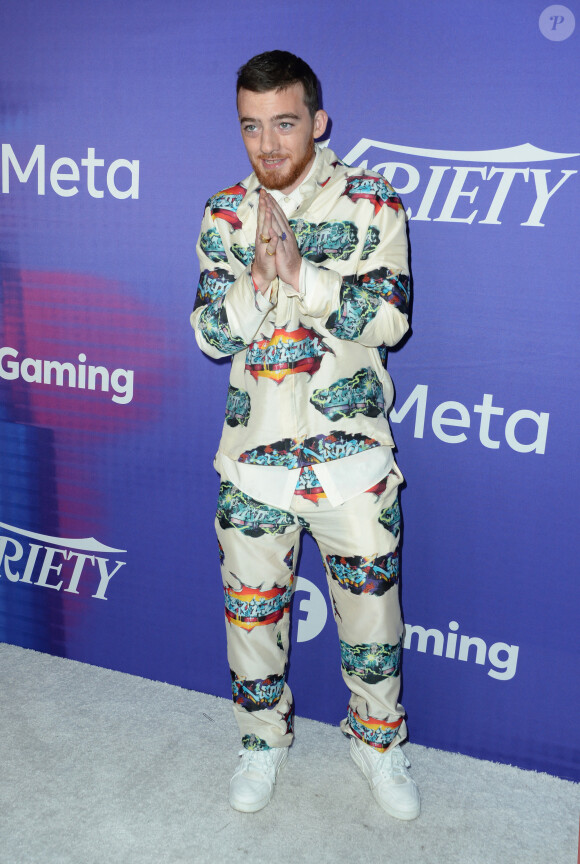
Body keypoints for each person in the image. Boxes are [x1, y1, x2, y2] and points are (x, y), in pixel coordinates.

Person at [191, 50, 419, 820]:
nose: (268, 146)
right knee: (251, 623)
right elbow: (208, 336)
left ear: (317, 122)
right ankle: (262, 742)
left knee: (372, 624)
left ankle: (378, 744)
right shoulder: (225, 214)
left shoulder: (374, 202)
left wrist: (304, 278)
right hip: (252, 463)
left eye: (284, 124)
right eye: (251, 128)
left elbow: (391, 318)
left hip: (352, 460)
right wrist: (254, 286)